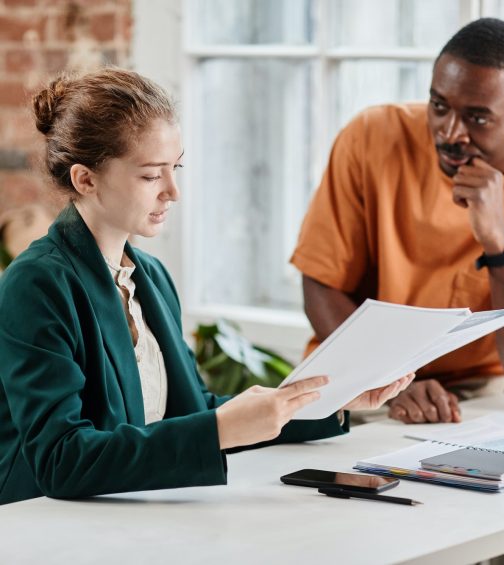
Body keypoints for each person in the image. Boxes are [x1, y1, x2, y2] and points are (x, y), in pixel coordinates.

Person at [0, 68, 413, 505]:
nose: (173, 191)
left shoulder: (151, 277)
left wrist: (330, 400)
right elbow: (60, 461)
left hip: (131, 518)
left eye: (175, 168)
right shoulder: (37, 284)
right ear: (86, 179)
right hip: (41, 528)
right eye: (150, 175)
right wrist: (218, 429)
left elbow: (188, 410)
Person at [291, 18, 504, 425]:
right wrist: (390, 378)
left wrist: (499, 246)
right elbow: (320, 284)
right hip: (358, 377)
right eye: (439, 106)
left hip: (475, 395)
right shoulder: (372, 137)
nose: (450, 132)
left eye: (477, 118)